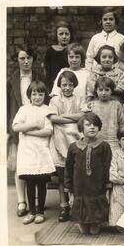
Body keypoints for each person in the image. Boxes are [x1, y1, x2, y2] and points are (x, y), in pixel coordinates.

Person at [7, 44, 45, 218]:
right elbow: (7, 105)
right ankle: (22, 201)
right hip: (19, 123)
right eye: (22, 58)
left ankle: (37, 201)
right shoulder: (12, 80)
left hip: (37, 123)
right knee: (20, 165)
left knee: (36, 163)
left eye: (29, 58)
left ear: (33, 59)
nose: (26, 61)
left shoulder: (40, 77)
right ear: (17, 60)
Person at [12, 81, 55, 225]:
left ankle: (40, 212)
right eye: (34, 94)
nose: (37, 97)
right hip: (27, 152)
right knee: (30, 182)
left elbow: (48, 131)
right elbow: (16, 127)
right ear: (29, 95)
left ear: (45, 96)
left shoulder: (47, 110)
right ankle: (32, 212)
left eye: (40, 94)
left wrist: (29, 132)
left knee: (41, 183)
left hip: (41, 151)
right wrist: (34, 125)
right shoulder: (24, 109)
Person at [65, 113, 112, 235]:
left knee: (94, 228)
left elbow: (107, 167)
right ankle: (82, 222)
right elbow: (68, 169)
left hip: (97, 186)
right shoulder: (73, 147)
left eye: (95, 125)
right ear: (81, 128)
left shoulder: (104, 146)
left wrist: (107, 186)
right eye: (88, 125)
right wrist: (69, 189)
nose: (92, 127)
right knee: (84, 229)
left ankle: (96, 222)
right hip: (80, 186)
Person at [48, 71, 86, 222]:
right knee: (63, 176)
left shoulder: (80, 99)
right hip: (59, 140)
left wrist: (62, 117)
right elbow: (52, 118)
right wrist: (72, 118)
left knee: (77, 175)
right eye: (64, 85)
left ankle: (76, 205)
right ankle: (64, 206)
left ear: (74, 85)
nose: (68, 88)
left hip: (75, 140)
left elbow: (82, 117)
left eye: (70, 85)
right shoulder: (55, 101)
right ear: (59, 86)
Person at [86, 77, 124, 150]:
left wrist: (122, 139)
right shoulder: (91, 105)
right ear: (96, 90)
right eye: (100, 90)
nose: (103, 93)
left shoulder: (116, 105)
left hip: (113, 141)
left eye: (107, 90)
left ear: (112, 91)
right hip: (95, 141)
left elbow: (122, 124)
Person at [43, 21, 72, 89]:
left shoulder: (73, 50)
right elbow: (46, 70)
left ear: (70, 35)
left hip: (69, 84)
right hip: (53, 84)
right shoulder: (51, 51)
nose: (64, 36)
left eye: (66, 34)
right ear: (56, 35)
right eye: (61, 34)